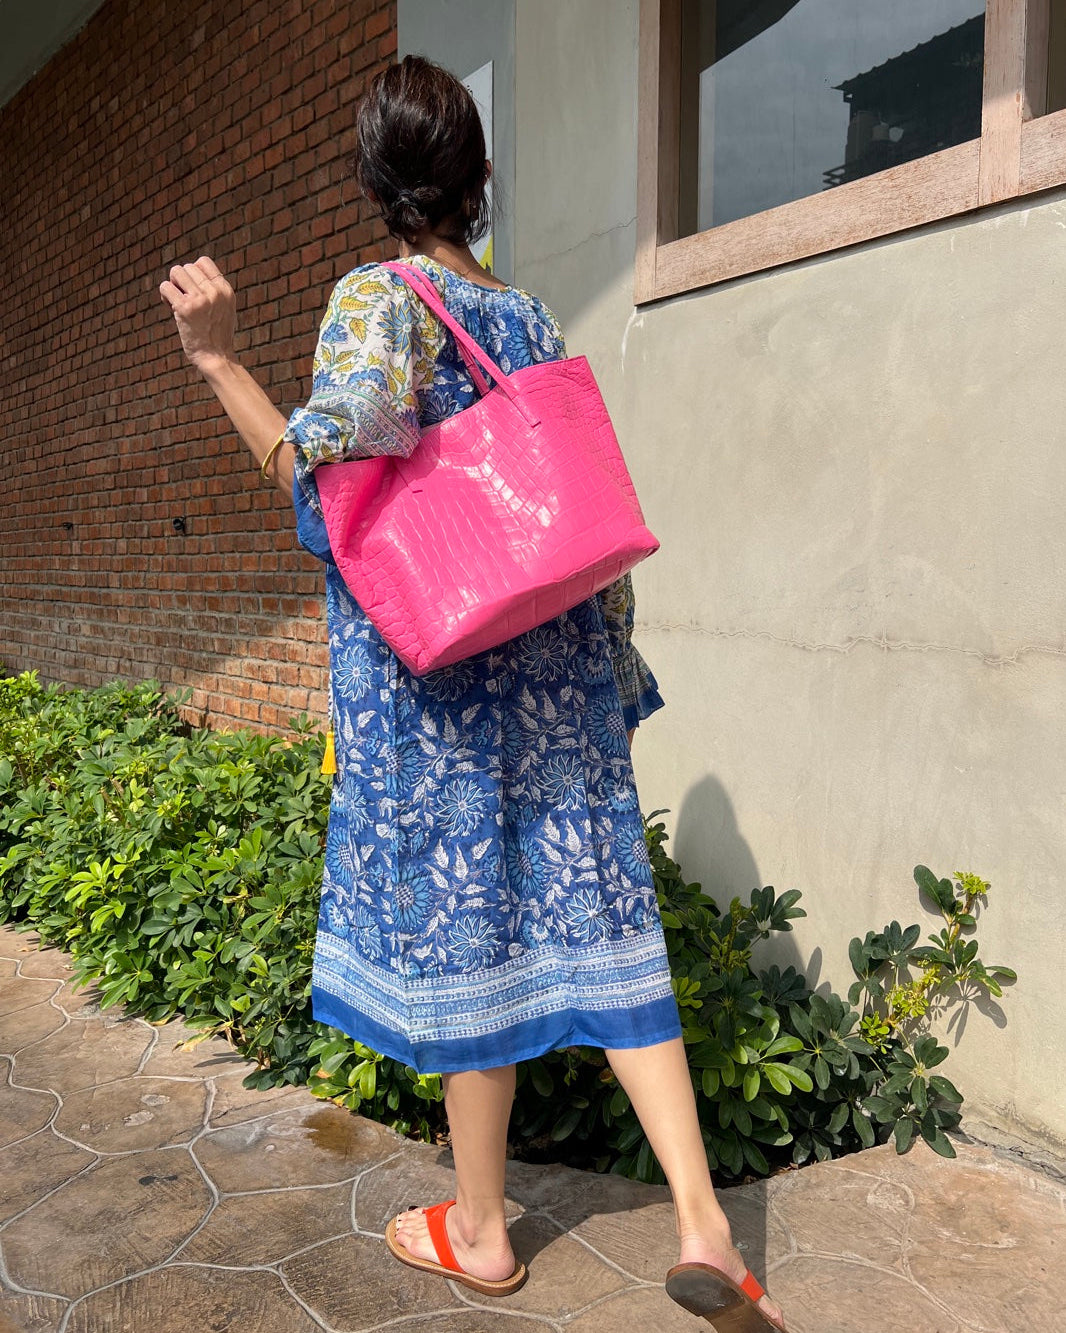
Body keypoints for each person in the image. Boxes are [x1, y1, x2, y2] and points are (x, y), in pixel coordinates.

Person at [159, 53, 786, 1333]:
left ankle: (484, 1229)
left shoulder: (375, 300)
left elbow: (318, 463)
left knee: (470, 930)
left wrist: (219, 360)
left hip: (438, 676)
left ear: (376, 183)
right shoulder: (533, 319)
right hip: (553, 670)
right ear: (477, 180)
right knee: (606, 920)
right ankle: (704, 1220)